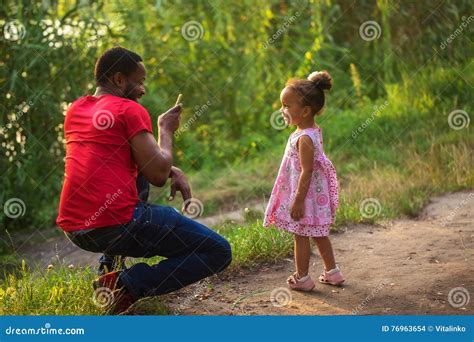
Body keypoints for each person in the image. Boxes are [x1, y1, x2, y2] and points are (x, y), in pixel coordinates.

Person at [56, 46, 232, 313]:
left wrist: (173, 168)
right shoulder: (129, 109)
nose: (143, 89)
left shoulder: (76, 109)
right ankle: (125, 285)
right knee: (218, 252)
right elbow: (158, 175)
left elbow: (115, 158)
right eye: (139, 82)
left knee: (138, 180)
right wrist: (166, 130)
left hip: (76, 230)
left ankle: (109, 266)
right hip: (115, 223)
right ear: (119, 80)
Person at [263, 70, 344, 291]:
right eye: (282, 104)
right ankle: (333, 272)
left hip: (306, 196)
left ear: (306, 110)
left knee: (300, 235)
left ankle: (302, 278)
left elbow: (306, 171)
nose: (282, 109)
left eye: (287, 105)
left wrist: (298, 200)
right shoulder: (310, 131)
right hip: (315, 196)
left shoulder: (305, 138)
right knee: (319, 233)